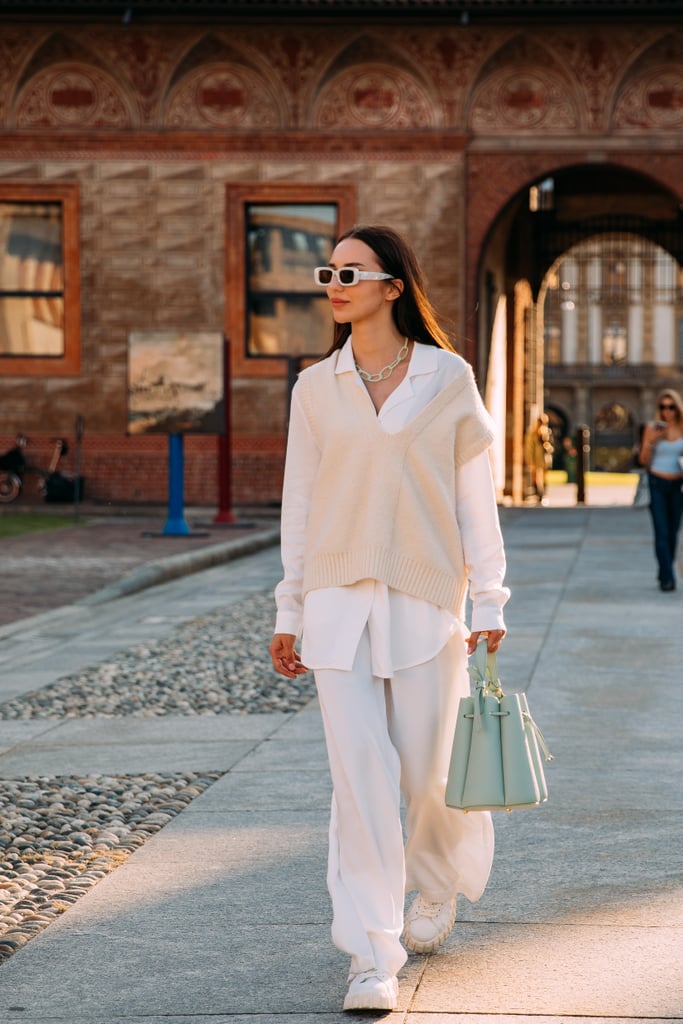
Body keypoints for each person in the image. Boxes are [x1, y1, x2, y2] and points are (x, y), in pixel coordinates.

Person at [269, 225, 510, 1012]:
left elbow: (475, 500)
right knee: (359, 781)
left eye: (350, 271)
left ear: (391, 287)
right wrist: (289, 606)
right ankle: (372, 953)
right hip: (336, 605)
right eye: (326, 271)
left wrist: (489, 600)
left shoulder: (447, 378)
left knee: (425, 774)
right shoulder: (314, 387)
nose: (333, 282)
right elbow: (298, 506)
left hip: (423, 599)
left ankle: (436, 887)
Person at [638, 389, 683, 591]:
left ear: (677, 408)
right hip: (657, 482)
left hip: (678, 486)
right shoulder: (652, 428)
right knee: (661, 532)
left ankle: (665, 569)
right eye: (663, 407)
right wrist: (652, 441)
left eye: (671, 407)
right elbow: (642, 460)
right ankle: (668, 578)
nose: (667, 411)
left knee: (673, 532)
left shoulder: (682, 428)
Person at [524, 413, 554, 503]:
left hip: (545, 458)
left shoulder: (547, 433)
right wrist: (530, 459)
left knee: (544, 477)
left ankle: (543, 493)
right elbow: (529, 448)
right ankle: (538, 493)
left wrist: (547, 445)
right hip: (536, 458)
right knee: (535, 476)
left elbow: (551, 447)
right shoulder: (532, 434)